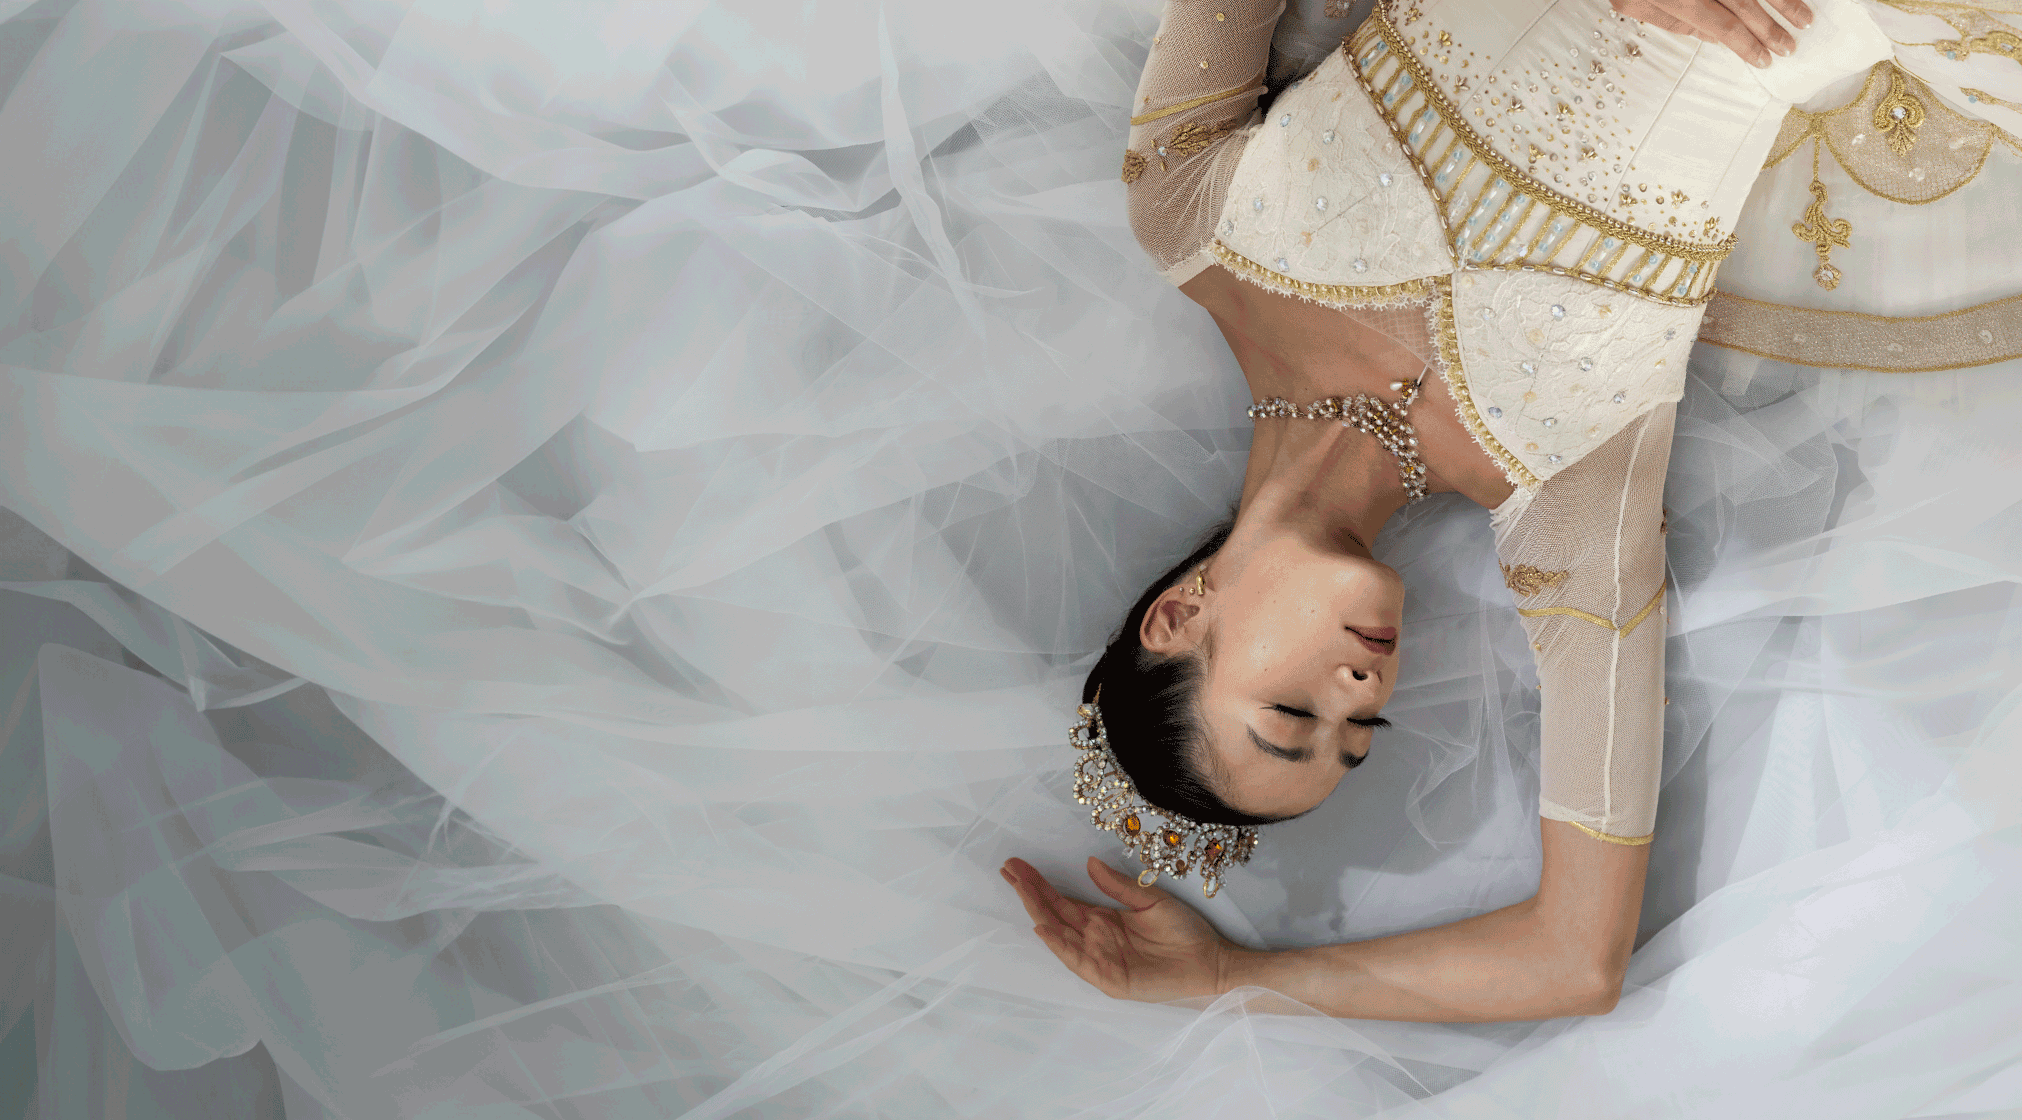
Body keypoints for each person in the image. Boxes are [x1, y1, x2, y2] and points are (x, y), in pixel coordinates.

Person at [1003, 0, 1896, 1020]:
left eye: (1293, 712)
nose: (1357, 687)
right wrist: (1232, 977)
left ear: (1178, 617)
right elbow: (1575, 957)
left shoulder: (1189, 218)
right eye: (1361, 726)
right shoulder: (1566, 505)